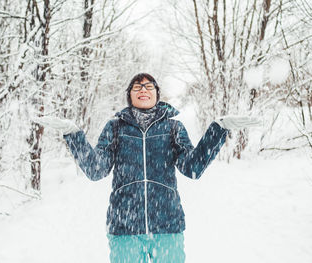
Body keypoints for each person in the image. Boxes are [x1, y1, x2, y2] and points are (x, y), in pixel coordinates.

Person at [35, 73, 260, 263]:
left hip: (167, 227)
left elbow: (193, 168)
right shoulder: (115, 127)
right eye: (137, 86)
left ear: (157, 93)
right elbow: (96, 170)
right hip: (124, 229)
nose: (143, 89)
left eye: (149, 86)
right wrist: (73, 134)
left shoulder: (173, 127)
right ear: (130, 95)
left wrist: (218, 130)